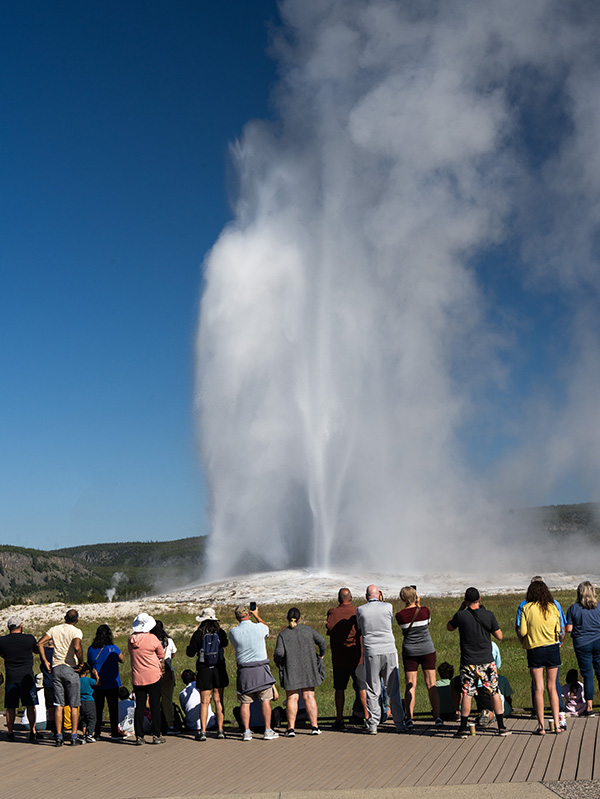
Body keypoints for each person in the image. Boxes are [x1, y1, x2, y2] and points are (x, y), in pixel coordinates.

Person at [447, 587, 509, 738]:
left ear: (466, 601)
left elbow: (449, 627)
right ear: (479, 599)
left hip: (468, 662)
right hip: (486, 661)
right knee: (493, 691)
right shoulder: (489, 615)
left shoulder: (461, 616)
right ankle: (501, 726)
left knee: (467, 693)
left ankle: (463, 728)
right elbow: (499, 636)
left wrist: (460, 609)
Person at [355, 584, 405, 734]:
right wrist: (382, 600)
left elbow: (360, 627)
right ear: (379, 594)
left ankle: (373, 724)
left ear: (366, 596)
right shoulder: (388, 606)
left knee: (372, 688)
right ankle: (399, 722)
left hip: (371, 651)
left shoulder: (361, 610)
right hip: (388, 649)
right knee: (393, 688)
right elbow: (390, 622)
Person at [516, 575, 567, 714]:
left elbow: (522, 630)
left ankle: (539, 719)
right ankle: (557, 717)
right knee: (553, 685)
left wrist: (524, 642)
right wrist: (560, 642)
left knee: (538, 686)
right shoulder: (554, 605)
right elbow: (561, 628)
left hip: (534, 647)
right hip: (552, 646)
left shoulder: (525, 606)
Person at [274, 607, 327, 736]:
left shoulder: (283, 634)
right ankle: (315, 727)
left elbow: (279, 652)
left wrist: (278, 662)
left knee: (292, 698)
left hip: (291, 668)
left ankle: (291, 729)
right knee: (309, 697)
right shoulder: (308, 630)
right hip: (308, 668)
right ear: (300, 618)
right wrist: (321, 655)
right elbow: (322, 642)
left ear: (287, 618)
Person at [229, 604, 278, 741]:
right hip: (260, 668)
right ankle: (267, 730)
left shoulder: (234, 632)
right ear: (249, 614)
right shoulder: (259, 627)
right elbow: (266, 628)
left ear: (237, 617)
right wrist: (257, 615)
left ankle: (246, 731)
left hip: (244, 670)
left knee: (245, 702)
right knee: (265, 700)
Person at [396, 586, 442, 729]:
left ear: (402, 598)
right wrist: (419, 604)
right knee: (431, 683)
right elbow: (427, 622)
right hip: (427, 649)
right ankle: (437, 717)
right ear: (416, 596)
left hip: (410, 651)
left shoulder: (400, 615)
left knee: (411, 684)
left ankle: (409, 718)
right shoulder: (425, 610)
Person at [38, 609, 84, 746]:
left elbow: (39, 643)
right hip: (70, 667)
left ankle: (58, 736)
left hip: (56, 668)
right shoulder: (76, 631)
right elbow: (77, 647)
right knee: (74, 705)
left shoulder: (54, 629)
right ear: (77, 620)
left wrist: (45, 661)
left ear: (65, 618)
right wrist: (81, 662)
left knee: (59, 704)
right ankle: (74, 736)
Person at [325, 588, 368, 730]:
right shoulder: (357, 611)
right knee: (362, 687)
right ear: (351, 598)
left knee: (339, 688)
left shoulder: (333, 612)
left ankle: (339, 719)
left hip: (339, 657)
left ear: (338, 599)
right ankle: (367, 717)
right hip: (356, 657)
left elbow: (329, 629)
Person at [186, 607, 228, 740]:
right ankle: (220, 730)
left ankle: (203, 731)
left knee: (204, 701)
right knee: (218, 700)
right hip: (219, 668)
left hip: (204, 669)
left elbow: (190, 652)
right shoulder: (220, 632)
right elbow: (225, 644)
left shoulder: (199, 633)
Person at [0, 615, 40, 742]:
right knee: (30, 705)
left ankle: (10, 732)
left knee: (10, 706)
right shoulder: (29, 639)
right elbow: (37, 650)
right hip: (27, 677)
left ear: (8, 627)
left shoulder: (2, 641)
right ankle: (33, 731)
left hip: (11, 676)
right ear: (20, 625)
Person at [128, 612, 165, 745]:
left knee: (140, 706)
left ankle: (139, 736)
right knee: (155, 705)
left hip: (138, 676)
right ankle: (156, 734)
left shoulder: (131, 639)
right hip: (153, 675)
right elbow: (161, 654)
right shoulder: (152, 638)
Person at [565, 580, 600, 717]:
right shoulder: (598, 607)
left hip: (582, 644)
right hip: (598, 641)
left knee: (588, 675)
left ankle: (589, 707)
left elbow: (569, 628)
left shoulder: (573, 608)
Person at [87, 623, 125, 740]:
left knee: (98, 708)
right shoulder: (113, 648)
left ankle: (97, 732)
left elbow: (89, 662)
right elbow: (122, 659)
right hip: (112, 682)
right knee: (113, 708)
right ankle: (114, 732)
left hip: (97, 683)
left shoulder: (91, 649)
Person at [151, 619, 177, 734]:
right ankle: (170, 724)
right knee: (167, 700)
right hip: (167, 672)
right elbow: (173, 654)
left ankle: (155, 724)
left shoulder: (150, 640)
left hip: (153, 672)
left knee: (154, 700)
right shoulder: (168, 641)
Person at [78, 662, 98, 743]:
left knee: (83, 718)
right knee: (91, 718)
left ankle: (84, 734)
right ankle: (90, 734)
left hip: (81, 701)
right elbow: (98, 683)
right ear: (87, 671)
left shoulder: (77, 681)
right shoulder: (88, 680)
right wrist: (96, 675)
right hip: (89, 700)